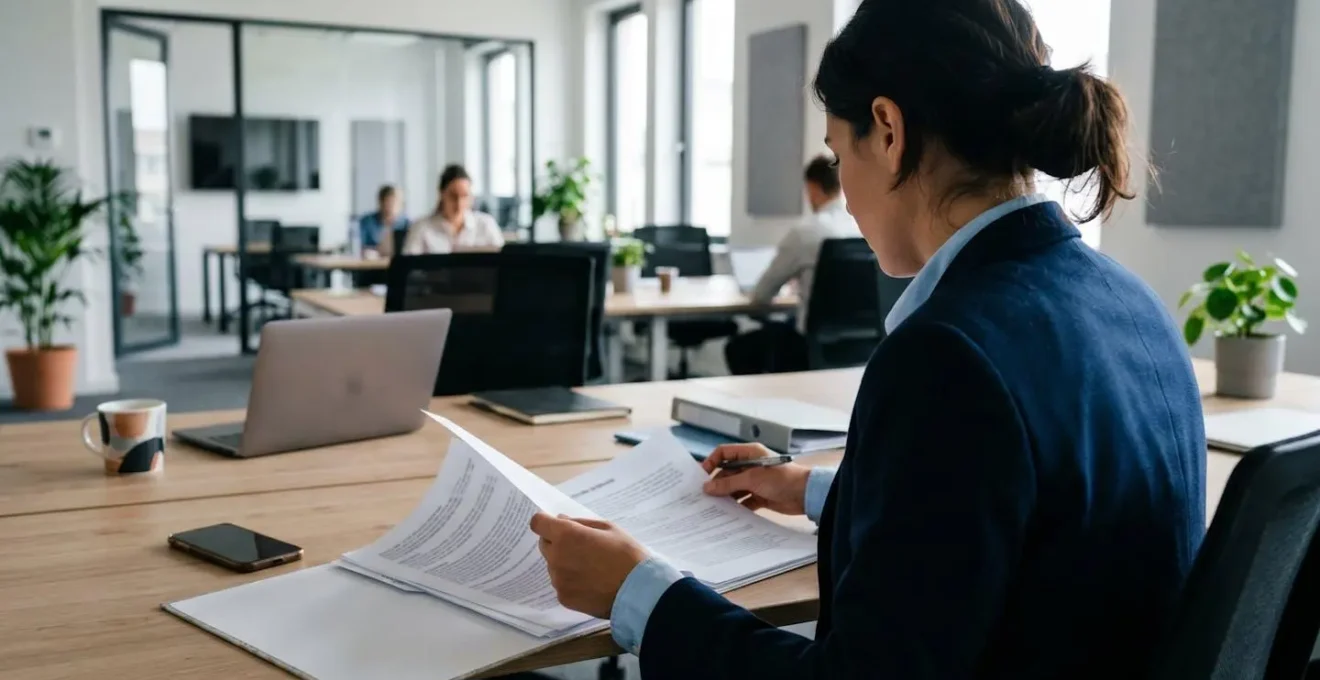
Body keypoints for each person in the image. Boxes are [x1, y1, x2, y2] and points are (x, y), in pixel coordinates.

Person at [529, 1, 1207, 679]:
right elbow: (1007, 519)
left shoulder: (946, 356)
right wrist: (817, 491)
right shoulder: (1132, 301)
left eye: (835, 150)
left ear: (887, 130)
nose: (843, 191)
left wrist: (637, 592)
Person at [724, 155, 860, 374]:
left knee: (739, 348)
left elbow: (762, 295)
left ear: (813, 187)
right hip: (860, 345)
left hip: (809, 344)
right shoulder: (861, 228)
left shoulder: (805, 233)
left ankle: (763, 406)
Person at [399, 165, 504, 254]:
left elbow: (503, 264)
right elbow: (409, 271)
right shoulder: (421, 227)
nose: (459, 203)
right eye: (453, 196)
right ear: (442, 194)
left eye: (465, 196)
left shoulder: (486, 224)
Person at [359, 184, 409, 258]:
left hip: (398, 264)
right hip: (371, 265)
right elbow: (359, 247)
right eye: (389, 202)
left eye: (396, 202)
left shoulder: (407, 223)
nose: (393, 206)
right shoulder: (367, 221)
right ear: (381, 202)